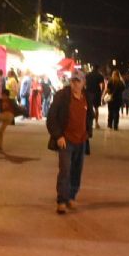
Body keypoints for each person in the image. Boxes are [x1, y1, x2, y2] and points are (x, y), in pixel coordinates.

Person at [46, 74, 92, 214]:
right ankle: (61, 200)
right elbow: (51, 117)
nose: (75, 84)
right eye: (73, 81)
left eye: (78, 81)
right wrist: (58, 136)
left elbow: (90, 115)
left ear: (84, 83)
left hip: (81, 140)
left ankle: (71, 196)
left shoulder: (86, 97)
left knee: (76, 171)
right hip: (66, 141)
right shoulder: (62, 96)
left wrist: (88, 132)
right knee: (65, 170)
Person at [85, 65, 105, 129]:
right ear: (98, 69)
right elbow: (103, 85)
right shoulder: (100, 75)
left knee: (88, 108)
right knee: (96, 108)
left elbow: (84, 83)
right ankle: (96, 123)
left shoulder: (88, 75)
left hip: (88, 93)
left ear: (92, 68)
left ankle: (87, 123)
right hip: (96, 93)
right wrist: (101, 92)